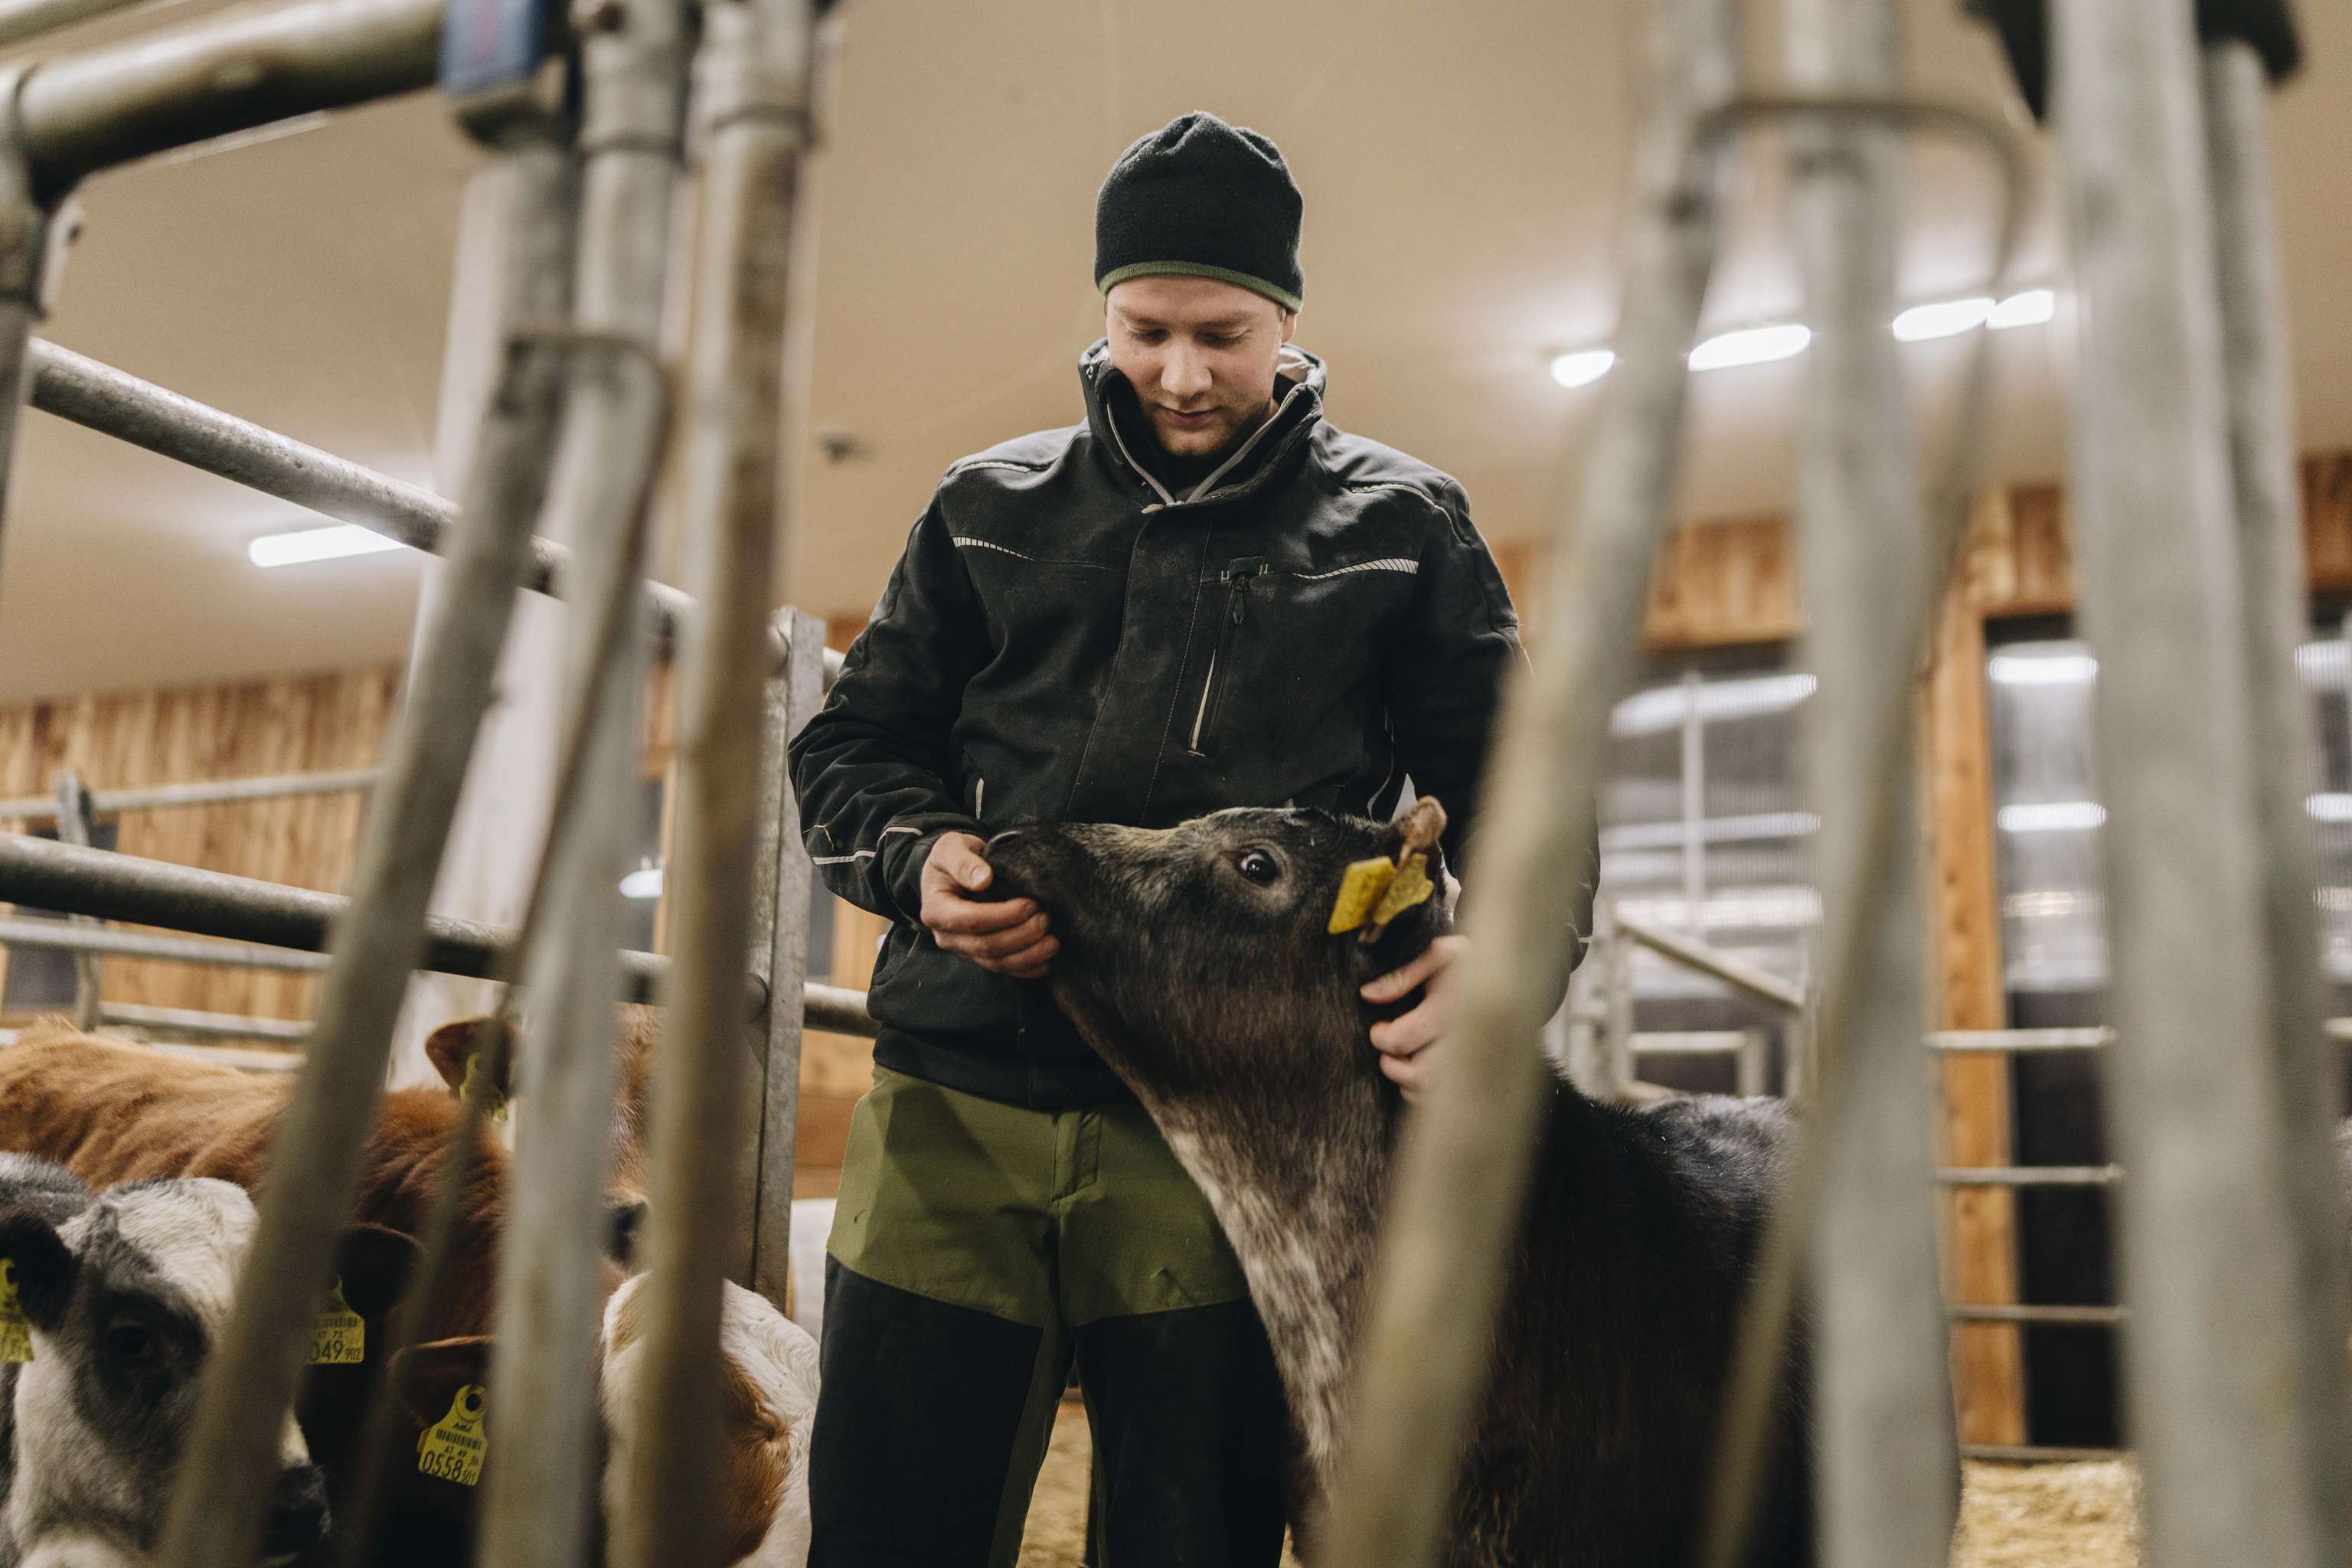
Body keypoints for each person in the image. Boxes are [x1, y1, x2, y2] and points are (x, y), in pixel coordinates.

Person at [790, 110, 1565, 1567]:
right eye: (1146, 330)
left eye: (1224, 333)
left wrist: (1506, 966)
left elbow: (1522, 794)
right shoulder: (984, 505)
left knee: (1189, 1533)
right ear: (1104, 313)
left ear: (1289, 321)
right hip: (958, 1093)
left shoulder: (1403, 527)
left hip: (1234, 1126)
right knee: (891, 1523)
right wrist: (920, 862)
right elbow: (852, 746)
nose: (1183, 373)